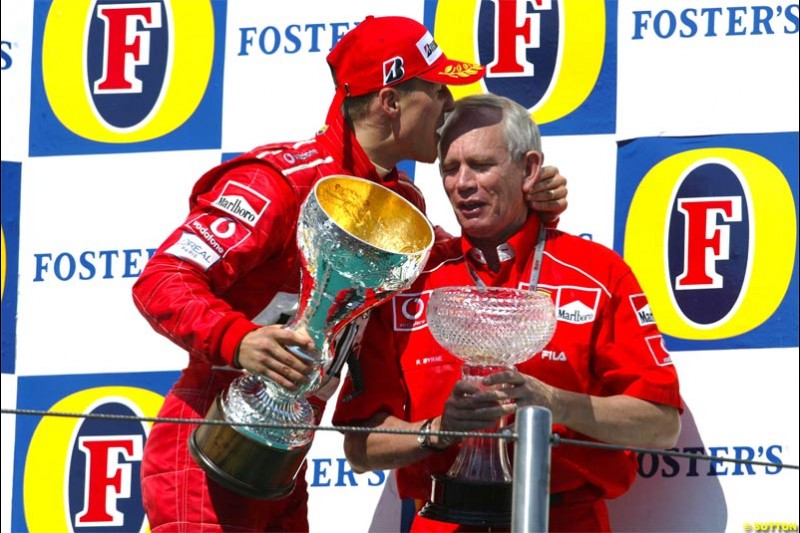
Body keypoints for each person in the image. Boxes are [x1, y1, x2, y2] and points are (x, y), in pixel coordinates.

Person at [132, 16, 568, 532]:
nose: (449, 104)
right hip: (207, 444)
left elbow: (456, 264)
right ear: (390, 101)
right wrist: (239, 340)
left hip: (285, 460)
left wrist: (527, 205)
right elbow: (162, 278)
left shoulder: (401, 201)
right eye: (437, 89)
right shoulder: (280, 182)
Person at [332, 93, 683, 532]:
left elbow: (661, 425)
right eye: (450, 168)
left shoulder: (597, 273)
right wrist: (438, 430)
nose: (463, 183)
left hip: (564, 519)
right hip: (444, 519)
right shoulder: (410, 282)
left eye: (481, 165)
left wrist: (554, 405)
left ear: (529, 169)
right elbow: (360, 448)